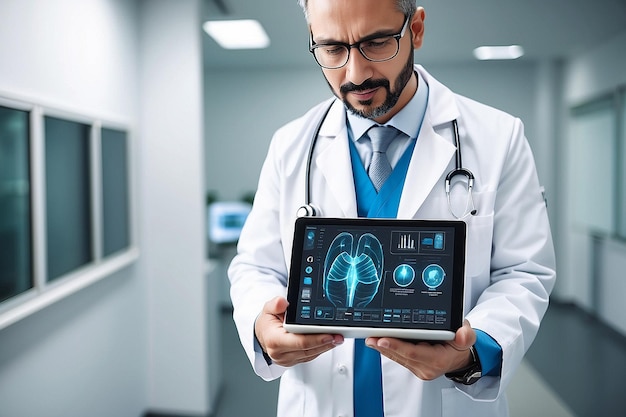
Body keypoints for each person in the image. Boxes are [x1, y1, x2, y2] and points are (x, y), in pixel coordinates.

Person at [228, 0, 556, 416]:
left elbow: (524, 272)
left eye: (377, 42)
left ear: (415, 29)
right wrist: (262, 323)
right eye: (332, 49)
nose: (355, 73)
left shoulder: (498, 138)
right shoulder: (290, 145)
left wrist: (468, 354)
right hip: (321, 397)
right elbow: (255, 266)